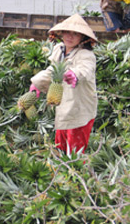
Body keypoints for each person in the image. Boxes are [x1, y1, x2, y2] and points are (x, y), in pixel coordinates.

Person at [29, 14, 98, 154]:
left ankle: (76, 170)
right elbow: (52, 70)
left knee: (75, 145)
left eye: (75, 34)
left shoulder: (86, 55)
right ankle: (61, 164)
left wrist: (74, 74)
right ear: (61, 33)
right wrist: (37, 82)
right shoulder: (59, 49)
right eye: (67, 32)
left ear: (83, 38)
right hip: (64, 101)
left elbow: (85, 70)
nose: (69, 37)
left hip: (80, 105)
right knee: (61, 139)